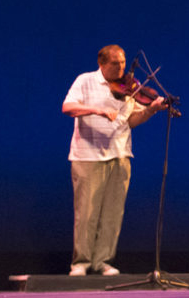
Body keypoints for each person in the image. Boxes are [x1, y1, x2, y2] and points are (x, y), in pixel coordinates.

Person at [63, 44, 167, 276]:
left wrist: (151, 110)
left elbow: (131, 121)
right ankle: (81, 262)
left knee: (112, 213)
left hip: (120, 155)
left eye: (123, 63)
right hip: (88, 156)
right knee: (87, 213)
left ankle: (102, 261)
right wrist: (97, 110)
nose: (121, 68)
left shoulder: (129, 87)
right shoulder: (85, 81)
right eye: (115, 64)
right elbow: (68, 107)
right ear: (101, 63)